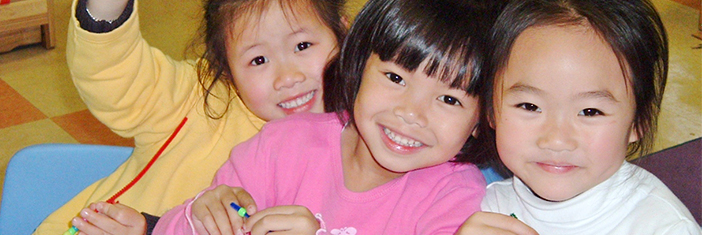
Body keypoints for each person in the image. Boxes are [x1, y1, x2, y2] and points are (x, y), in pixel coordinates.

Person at [73, 0, 500, 234]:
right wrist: (201, 216)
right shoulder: (281, 145)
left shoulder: (455, 202)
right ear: (357, 62)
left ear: (481, 120)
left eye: (449, 100)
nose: (411, 113)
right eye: (394, 76)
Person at [34, 0, 348, 233]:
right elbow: (112, 72)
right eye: (259, 59)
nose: (287, 77)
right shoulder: (198, 96)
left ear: (344, 33)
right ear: (225, 68)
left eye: (303, 45)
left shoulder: (372, 138)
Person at [456, 0, 702, 234]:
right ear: (489, 110)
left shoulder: (664, 228)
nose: (556, 140)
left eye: (590, 112)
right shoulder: (485, 205)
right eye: (529, 106)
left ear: (640, 121)